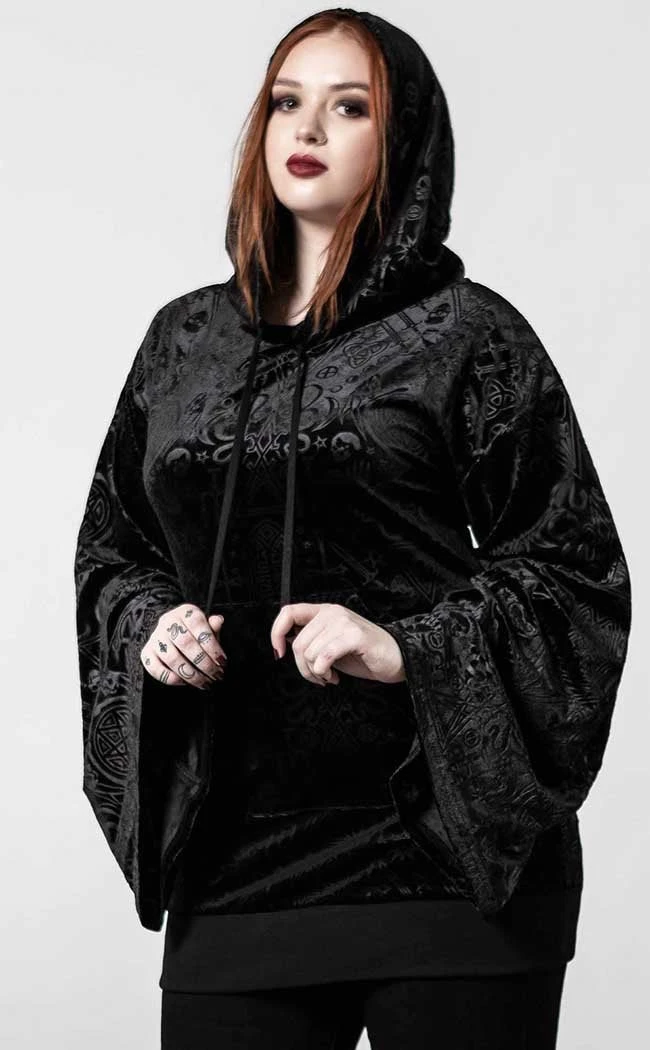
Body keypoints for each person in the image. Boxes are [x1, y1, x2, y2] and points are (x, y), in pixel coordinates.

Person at [73, 8, 632, 1049]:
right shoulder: (182, 342)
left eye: (349, 107)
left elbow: (573, 569)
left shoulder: (466, 332)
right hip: (237, 860)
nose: (308, 128)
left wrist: (402, 646)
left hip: (444, 858)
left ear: (402, 138)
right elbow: (115, 550)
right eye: (288, 101)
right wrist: (151, 625)